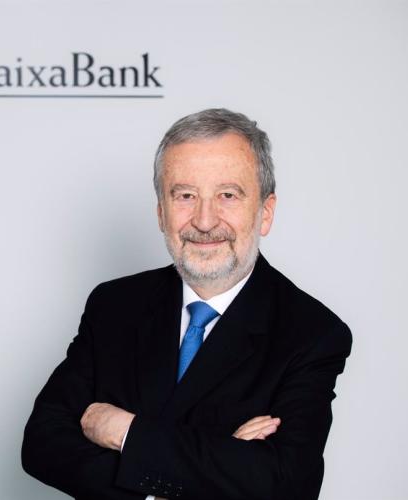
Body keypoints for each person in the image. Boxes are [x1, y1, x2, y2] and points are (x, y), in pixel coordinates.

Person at [21, 108, 352, 500]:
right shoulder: (114, 306)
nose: (205, 221)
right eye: (185, 196)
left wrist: (126, 432)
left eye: (227, 195)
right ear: (161, 213)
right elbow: (42, 442)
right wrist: (217, 466)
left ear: (265, 213)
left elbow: (285, 484)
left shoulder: (312, 333)